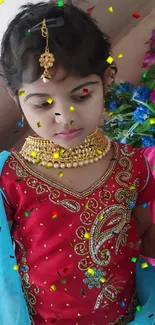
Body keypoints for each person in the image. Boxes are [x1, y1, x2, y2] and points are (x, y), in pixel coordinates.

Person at [0, 2, 155, 324]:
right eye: (42, 103)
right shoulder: (9, 177)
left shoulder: (132, 164)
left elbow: (145, 232)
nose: (64, 117)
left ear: (106, 79)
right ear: (16, 97)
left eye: (81, 96)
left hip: (124, 316)